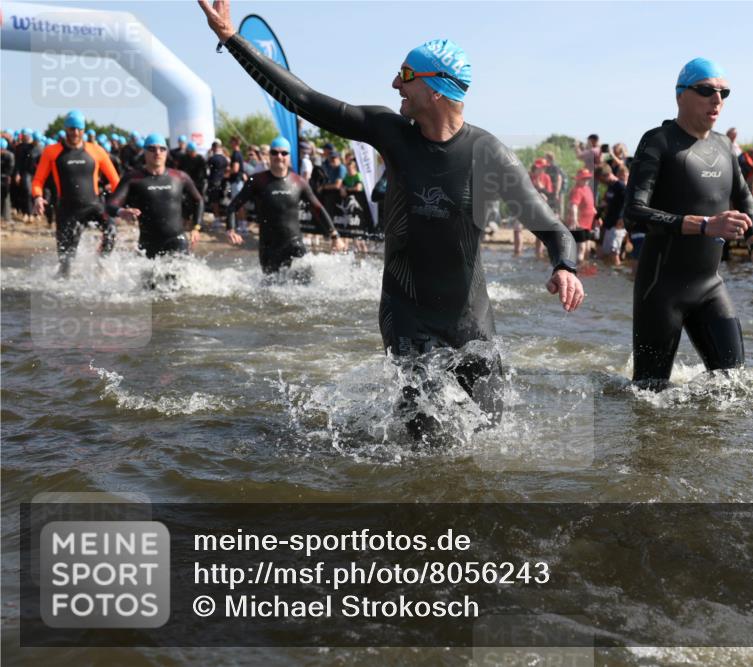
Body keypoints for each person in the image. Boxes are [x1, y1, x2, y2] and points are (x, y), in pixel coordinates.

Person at [199, 0, 582, 433]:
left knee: (492, 436)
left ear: (435, 89)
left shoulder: (488, 154)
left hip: (472, 323)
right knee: (424, 444)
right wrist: (233, 40)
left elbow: (551, 227)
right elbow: (304, 100)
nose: (394, 84)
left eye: (405, 75)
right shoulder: (390, 132)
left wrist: (565, 266)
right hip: (407, 317)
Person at [623, 57, 753, 388]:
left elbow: (745, 199)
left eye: (723, 92)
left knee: (735, 385)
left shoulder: (724, 145)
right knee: (649, 393)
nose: (716, 99)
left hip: (710, 286)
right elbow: (634, 213)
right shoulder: (658, 141)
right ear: (680, 95)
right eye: (706, 90)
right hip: (661, 290)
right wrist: (704, 225)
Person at [226, 136, 343, 273]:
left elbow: (318, 209)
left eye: (284, 153)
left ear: (289, 156)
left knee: (305, 284)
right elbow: (233, 206)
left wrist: (335, 236)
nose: (279, 156)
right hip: (269, 249)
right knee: (271, 286)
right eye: (274, 152)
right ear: (269, 155)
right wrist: (231, 229)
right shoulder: (257, 181)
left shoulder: (299, 182)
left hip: (295, 246)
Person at [31, 110, 120, 276]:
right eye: (72, 128)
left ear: (84, 130)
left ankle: (100, 264)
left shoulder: (97, 151)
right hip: (67, 211)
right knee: (66, 264)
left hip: (94, 206)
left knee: (111, 231)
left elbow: (116, 182)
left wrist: (120, 205)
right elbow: (38, 180)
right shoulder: (52, 152)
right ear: (66, 128)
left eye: (79, 129)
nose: (76, 132)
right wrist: (37, 197)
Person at [105, 133, 205, 258]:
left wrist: (197, 227)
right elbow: (110, 205)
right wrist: (121, 211)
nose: (157, 152)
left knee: (181, 270)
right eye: (152, 149)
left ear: (166, 152)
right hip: (148, 244)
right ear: (144, 152)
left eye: (162, 149)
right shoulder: (133, 178)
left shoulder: (179, 177)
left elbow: (198, 200)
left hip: (177, 241)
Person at [597, 165, 628, 265]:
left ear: (607, 175)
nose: (601, 182)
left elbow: (627, 203)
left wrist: (622, 218)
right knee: (606, 253)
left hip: (618, 224)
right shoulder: (611, 187)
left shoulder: (621, 186)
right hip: (609, 224)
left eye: (601, 179)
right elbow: (604, 203)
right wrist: (598, 217)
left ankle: (617, 272)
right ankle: (608, 273)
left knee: (614, 253)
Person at [567, 168, 597, 262]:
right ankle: (578, 266)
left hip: (588, 223)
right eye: (584, 178)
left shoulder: (587, 189)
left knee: (587, 248)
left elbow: (590, 204)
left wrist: (595, 213)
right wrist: (574, 219)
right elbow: (574, 205)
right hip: (580, 224)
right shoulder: (577, 190)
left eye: (587, 178)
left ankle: (584, 266)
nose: (586, 180)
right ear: (578, 179)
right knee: (581, 248)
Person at [1, 138, 13, 221]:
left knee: (6, 196)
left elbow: (11, 168)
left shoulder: (10, 155)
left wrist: (8, 176)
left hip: (5, 177)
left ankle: (6, 216)